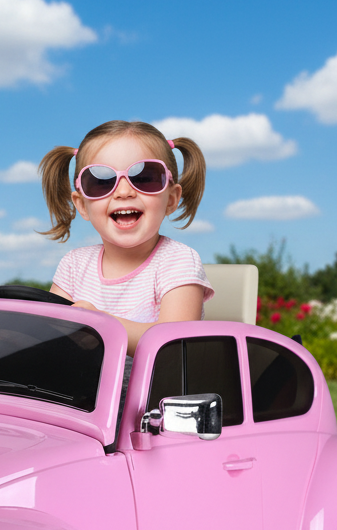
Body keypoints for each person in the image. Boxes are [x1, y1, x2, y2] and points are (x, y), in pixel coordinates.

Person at [40, 120, 213, 357]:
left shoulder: (178, 261)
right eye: (100, 182)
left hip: (152, 392)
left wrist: (101, 325)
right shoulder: (74, 265)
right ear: (82, 205)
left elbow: (173, 343)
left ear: (171, 199)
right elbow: (50, 336)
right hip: (82, 390)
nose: (124, 192)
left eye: (145, 178)